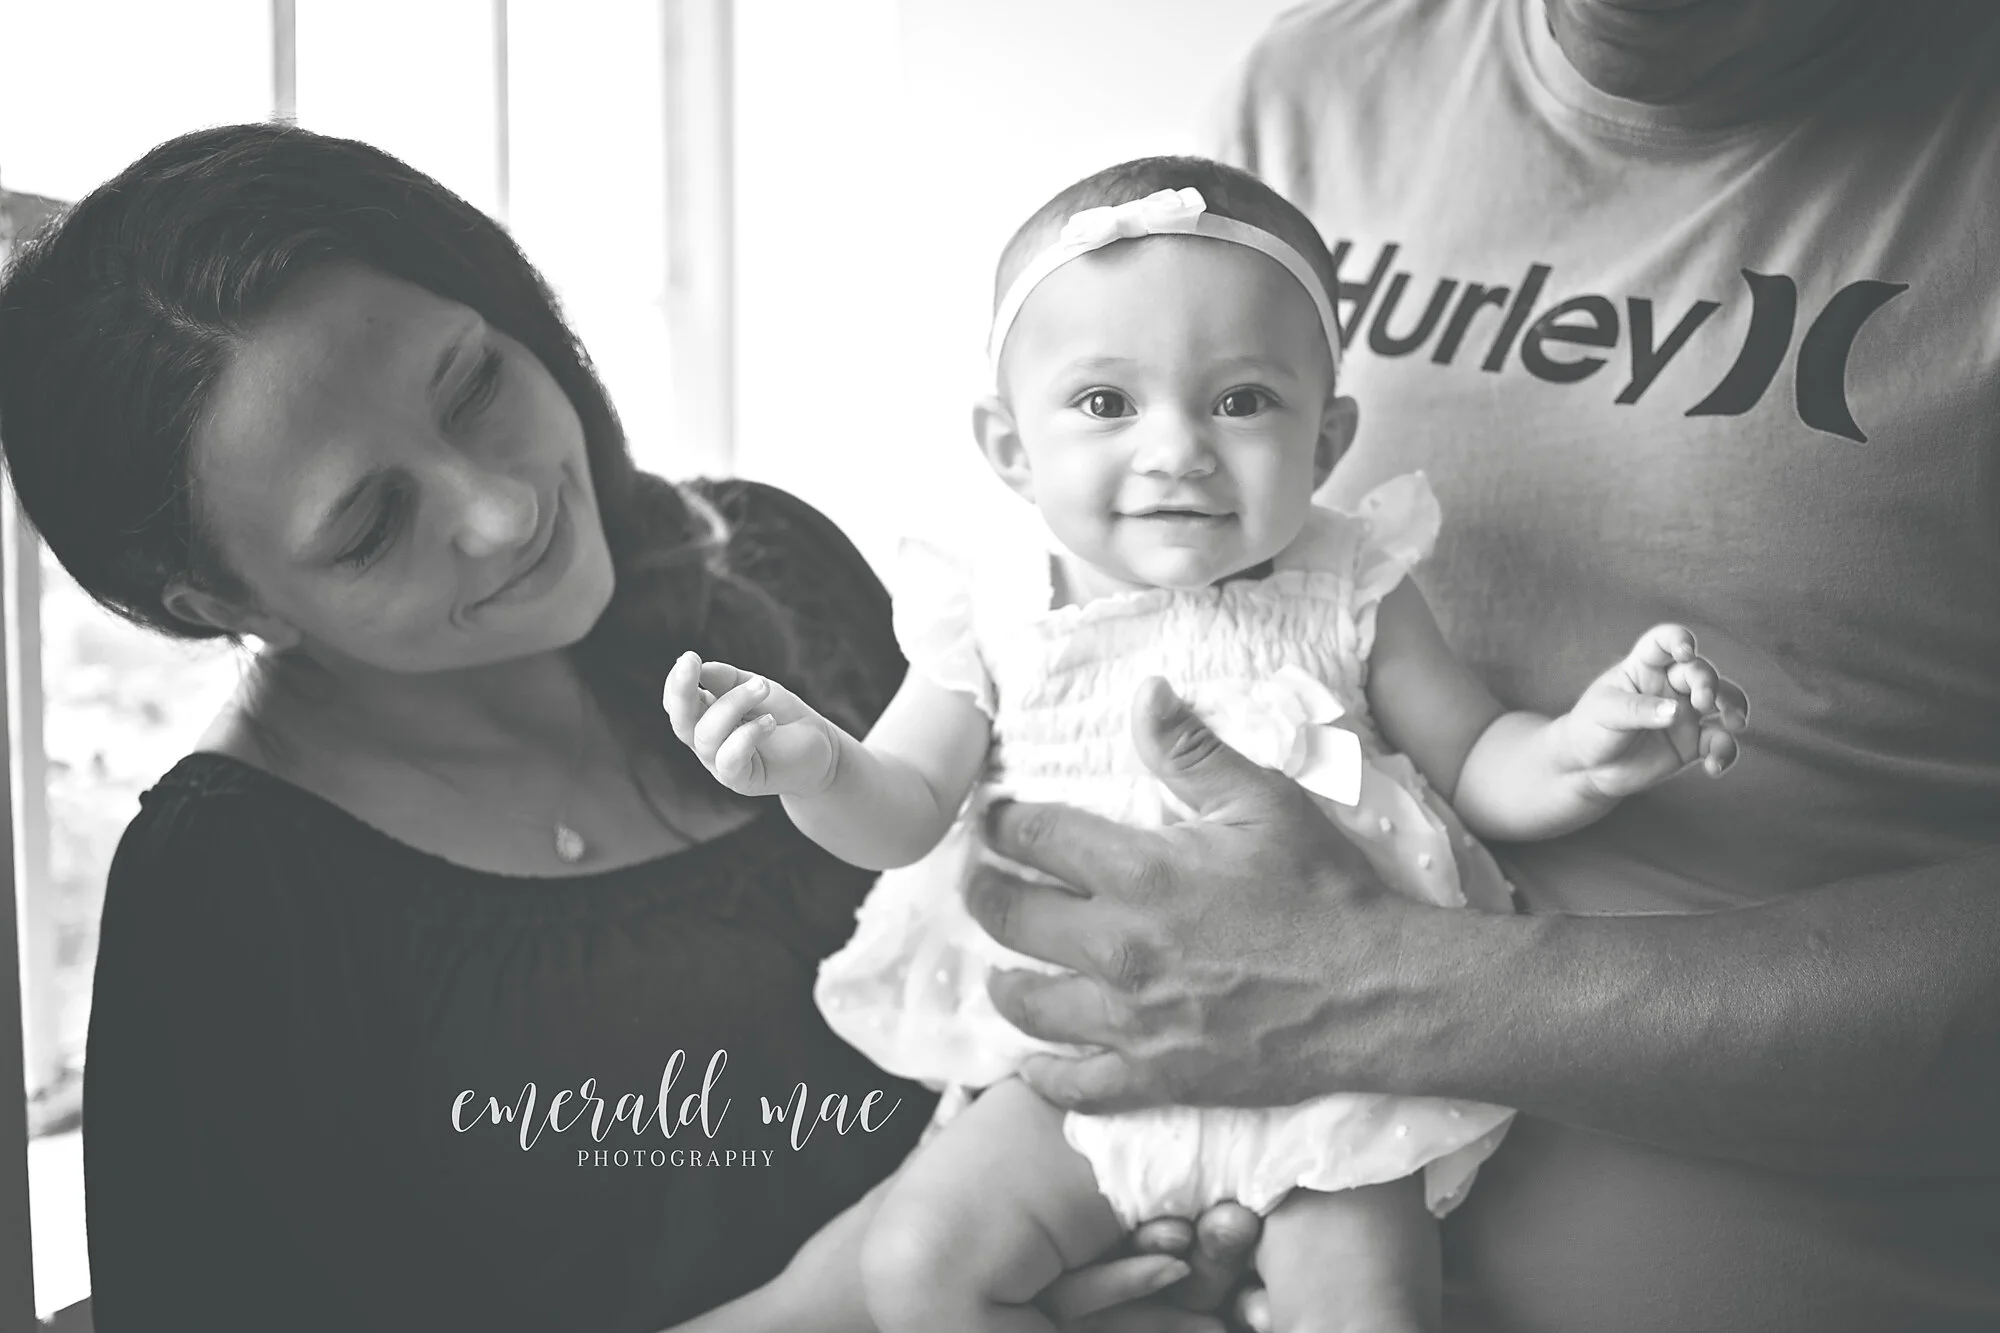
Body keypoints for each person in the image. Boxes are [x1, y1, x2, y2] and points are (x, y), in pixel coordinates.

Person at [0, 122, 1259, 1333]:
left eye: (475, 385)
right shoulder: (231, 896)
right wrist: (850, 1308)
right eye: (371, 525)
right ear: (223, 601)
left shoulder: (773, 568)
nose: (499, 511)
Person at [949, 2, 2000, 1331]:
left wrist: (1396, 995)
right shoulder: (1316, 93)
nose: (1180, 447)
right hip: (1193, 1199)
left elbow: (1446, 796)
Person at [665, 157, 1746, 1333]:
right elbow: (904, 805)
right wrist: (816, 766)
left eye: (1240, 401)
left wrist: (1586, 749)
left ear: (1326, 437)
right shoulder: (993, 611)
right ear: (1008, 446)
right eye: (1103, 403)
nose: (1176, 448)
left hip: (1338, 1067)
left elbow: (1479, 756)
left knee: (1372, 1311)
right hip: (1083, 1069)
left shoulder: (1350, 584)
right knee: (917, 1264)